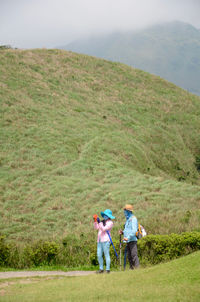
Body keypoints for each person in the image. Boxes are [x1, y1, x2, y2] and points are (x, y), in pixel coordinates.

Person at [93, 209, 115, 273]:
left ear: (109, 216)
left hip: (106, 240)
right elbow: (96, 228)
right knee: (99, 254)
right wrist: (95, 221)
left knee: (106, 254)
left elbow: (103, 229)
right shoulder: (102, 222)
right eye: (104, 215)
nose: (105, 216)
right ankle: (101, 268)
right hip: (99, 240)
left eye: (106, 215)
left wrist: (99, 222)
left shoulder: (110, 223)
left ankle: (108, 269)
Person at [119, 204, 139, 269]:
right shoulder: (127, 219)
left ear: (129, 211)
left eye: (125, 210)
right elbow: (127, 230)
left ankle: (137, 269)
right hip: (127, 240)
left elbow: (134, 230)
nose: (124, 212)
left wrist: (128, 237)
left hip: (132, 240)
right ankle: (132, 269)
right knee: (129, 256)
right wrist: (123, 232)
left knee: (134, 255)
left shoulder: (133, 219)